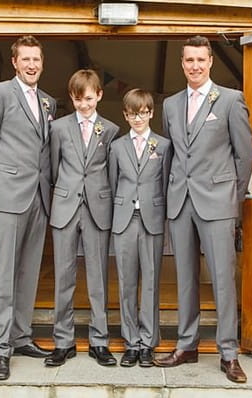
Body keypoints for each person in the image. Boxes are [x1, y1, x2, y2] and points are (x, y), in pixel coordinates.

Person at [153, 35, 252, 384]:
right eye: (188, 60)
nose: (194, 66)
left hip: (218, 202)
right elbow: (174, 155)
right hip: (181, 202)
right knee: (184, 278)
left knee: (222, 279)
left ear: (210, 62)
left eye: (200, 59)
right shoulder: (170, 104)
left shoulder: (230, 100)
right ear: (181, 64)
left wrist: (233, 198)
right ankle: (187, 344)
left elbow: (245, 156)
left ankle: (228, 353)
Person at [0, 35, 56, 381]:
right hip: (7, 195)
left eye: (36, 59)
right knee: (4, 271)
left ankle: (21, 337)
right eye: (26, 59)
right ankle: (1, 347)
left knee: (29, 270)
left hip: (39, 196)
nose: (32, 65)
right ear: (14, 62)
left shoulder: (49, 102)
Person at [44, 69, 119, 367]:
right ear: (71, 98)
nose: (84, 105)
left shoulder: (111, 130)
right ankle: (63, 341)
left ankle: (99, 341)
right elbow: (52, 168)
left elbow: (112, 173)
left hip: (97, 209)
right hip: (65, 206)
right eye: (77, 99)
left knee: (98, 277)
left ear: (99, 95)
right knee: (63, 276)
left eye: (88, 98)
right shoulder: (59, 128)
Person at [109, 89, 172, 367]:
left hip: (152, 218)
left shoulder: (163, 145)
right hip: (124, 219)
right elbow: (112, 182)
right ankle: (130, 342)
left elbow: (166, 182)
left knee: (151, 281)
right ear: (125, 114)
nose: (138, 118)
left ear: (151, 113)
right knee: (126, 283)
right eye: (133, 113)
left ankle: (148, 342)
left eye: (143, 112)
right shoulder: (116, 146)